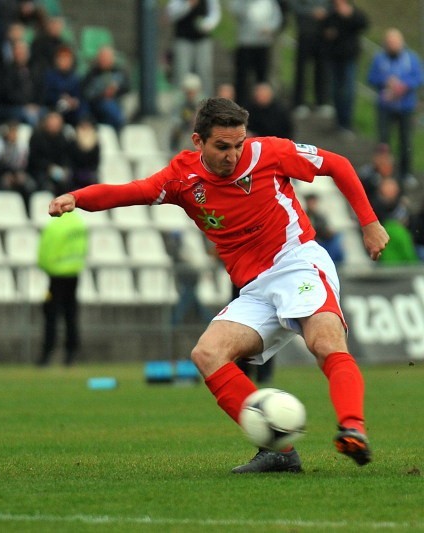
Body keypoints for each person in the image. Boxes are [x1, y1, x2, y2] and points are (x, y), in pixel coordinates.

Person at [48, 97, 388, 473]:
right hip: (255, 288)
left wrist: (369, 223)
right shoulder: (182, 178)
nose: (232, 155)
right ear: (198, 142)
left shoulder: (270, 152)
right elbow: (130, 191)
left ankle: (352, 428)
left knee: (324, 342)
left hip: (298, 263)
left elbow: (337, 164)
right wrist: (76, 198)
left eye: (238, 145)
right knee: (207, 354)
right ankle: (278, 452)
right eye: (222, 147)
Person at [367, 28, 423, 189]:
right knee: (383, 140)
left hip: (405, 106)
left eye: (395, 42)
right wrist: (386, 81)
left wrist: (404, 85)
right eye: (390, 43)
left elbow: (419, 77)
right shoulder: (379, 58)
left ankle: (406, 173)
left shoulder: (411, 58)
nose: (393, 46)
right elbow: (371, 77)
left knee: (405, 140)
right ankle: (382, 172)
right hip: (385, 106)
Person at [37, 210, 88, 367]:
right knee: (71, 314)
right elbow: (84, 247)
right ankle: (71, 353)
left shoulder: (54, 226)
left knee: (51, 314)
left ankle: (47, 353)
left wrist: (45, 267)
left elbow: (44, 252)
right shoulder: (79, 223)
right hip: (74, 273)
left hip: (56, 276)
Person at [321, 0, 368, 137]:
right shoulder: (331, 14)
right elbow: (325, 30)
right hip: (334, 57)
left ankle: (346, 122)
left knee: (348, 90)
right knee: (335, 90)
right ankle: (339, 121)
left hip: (349, 57)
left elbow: (363, 24)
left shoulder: (354, 12)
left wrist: (349, 15)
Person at [229, 0, 283, 105]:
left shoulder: (269, 2)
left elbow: (277, 18)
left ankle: (261, 102)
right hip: (245, 43)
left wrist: (270, 28)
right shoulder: (241, 2)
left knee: (262, 76)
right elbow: (236, 12)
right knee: (242, 76)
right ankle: (240, 103)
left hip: (263, 44)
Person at [166, 0, 222, 99]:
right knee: (181, 72)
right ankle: (179, 104)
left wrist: (207, 24)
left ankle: (207, 103)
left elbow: (215, 12)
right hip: (183, 39)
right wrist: (188, 5)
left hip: (202, 39)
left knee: (204, 71)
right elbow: (171, 14)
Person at [290, 0, 330, 118]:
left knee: (322, 69)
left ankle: (321, 101)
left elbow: (334, 5)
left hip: (322, 34)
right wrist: (311, 12)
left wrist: (325, 12)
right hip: (305, 33)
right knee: (301, 69)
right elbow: (294, 5)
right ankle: (299, 102)